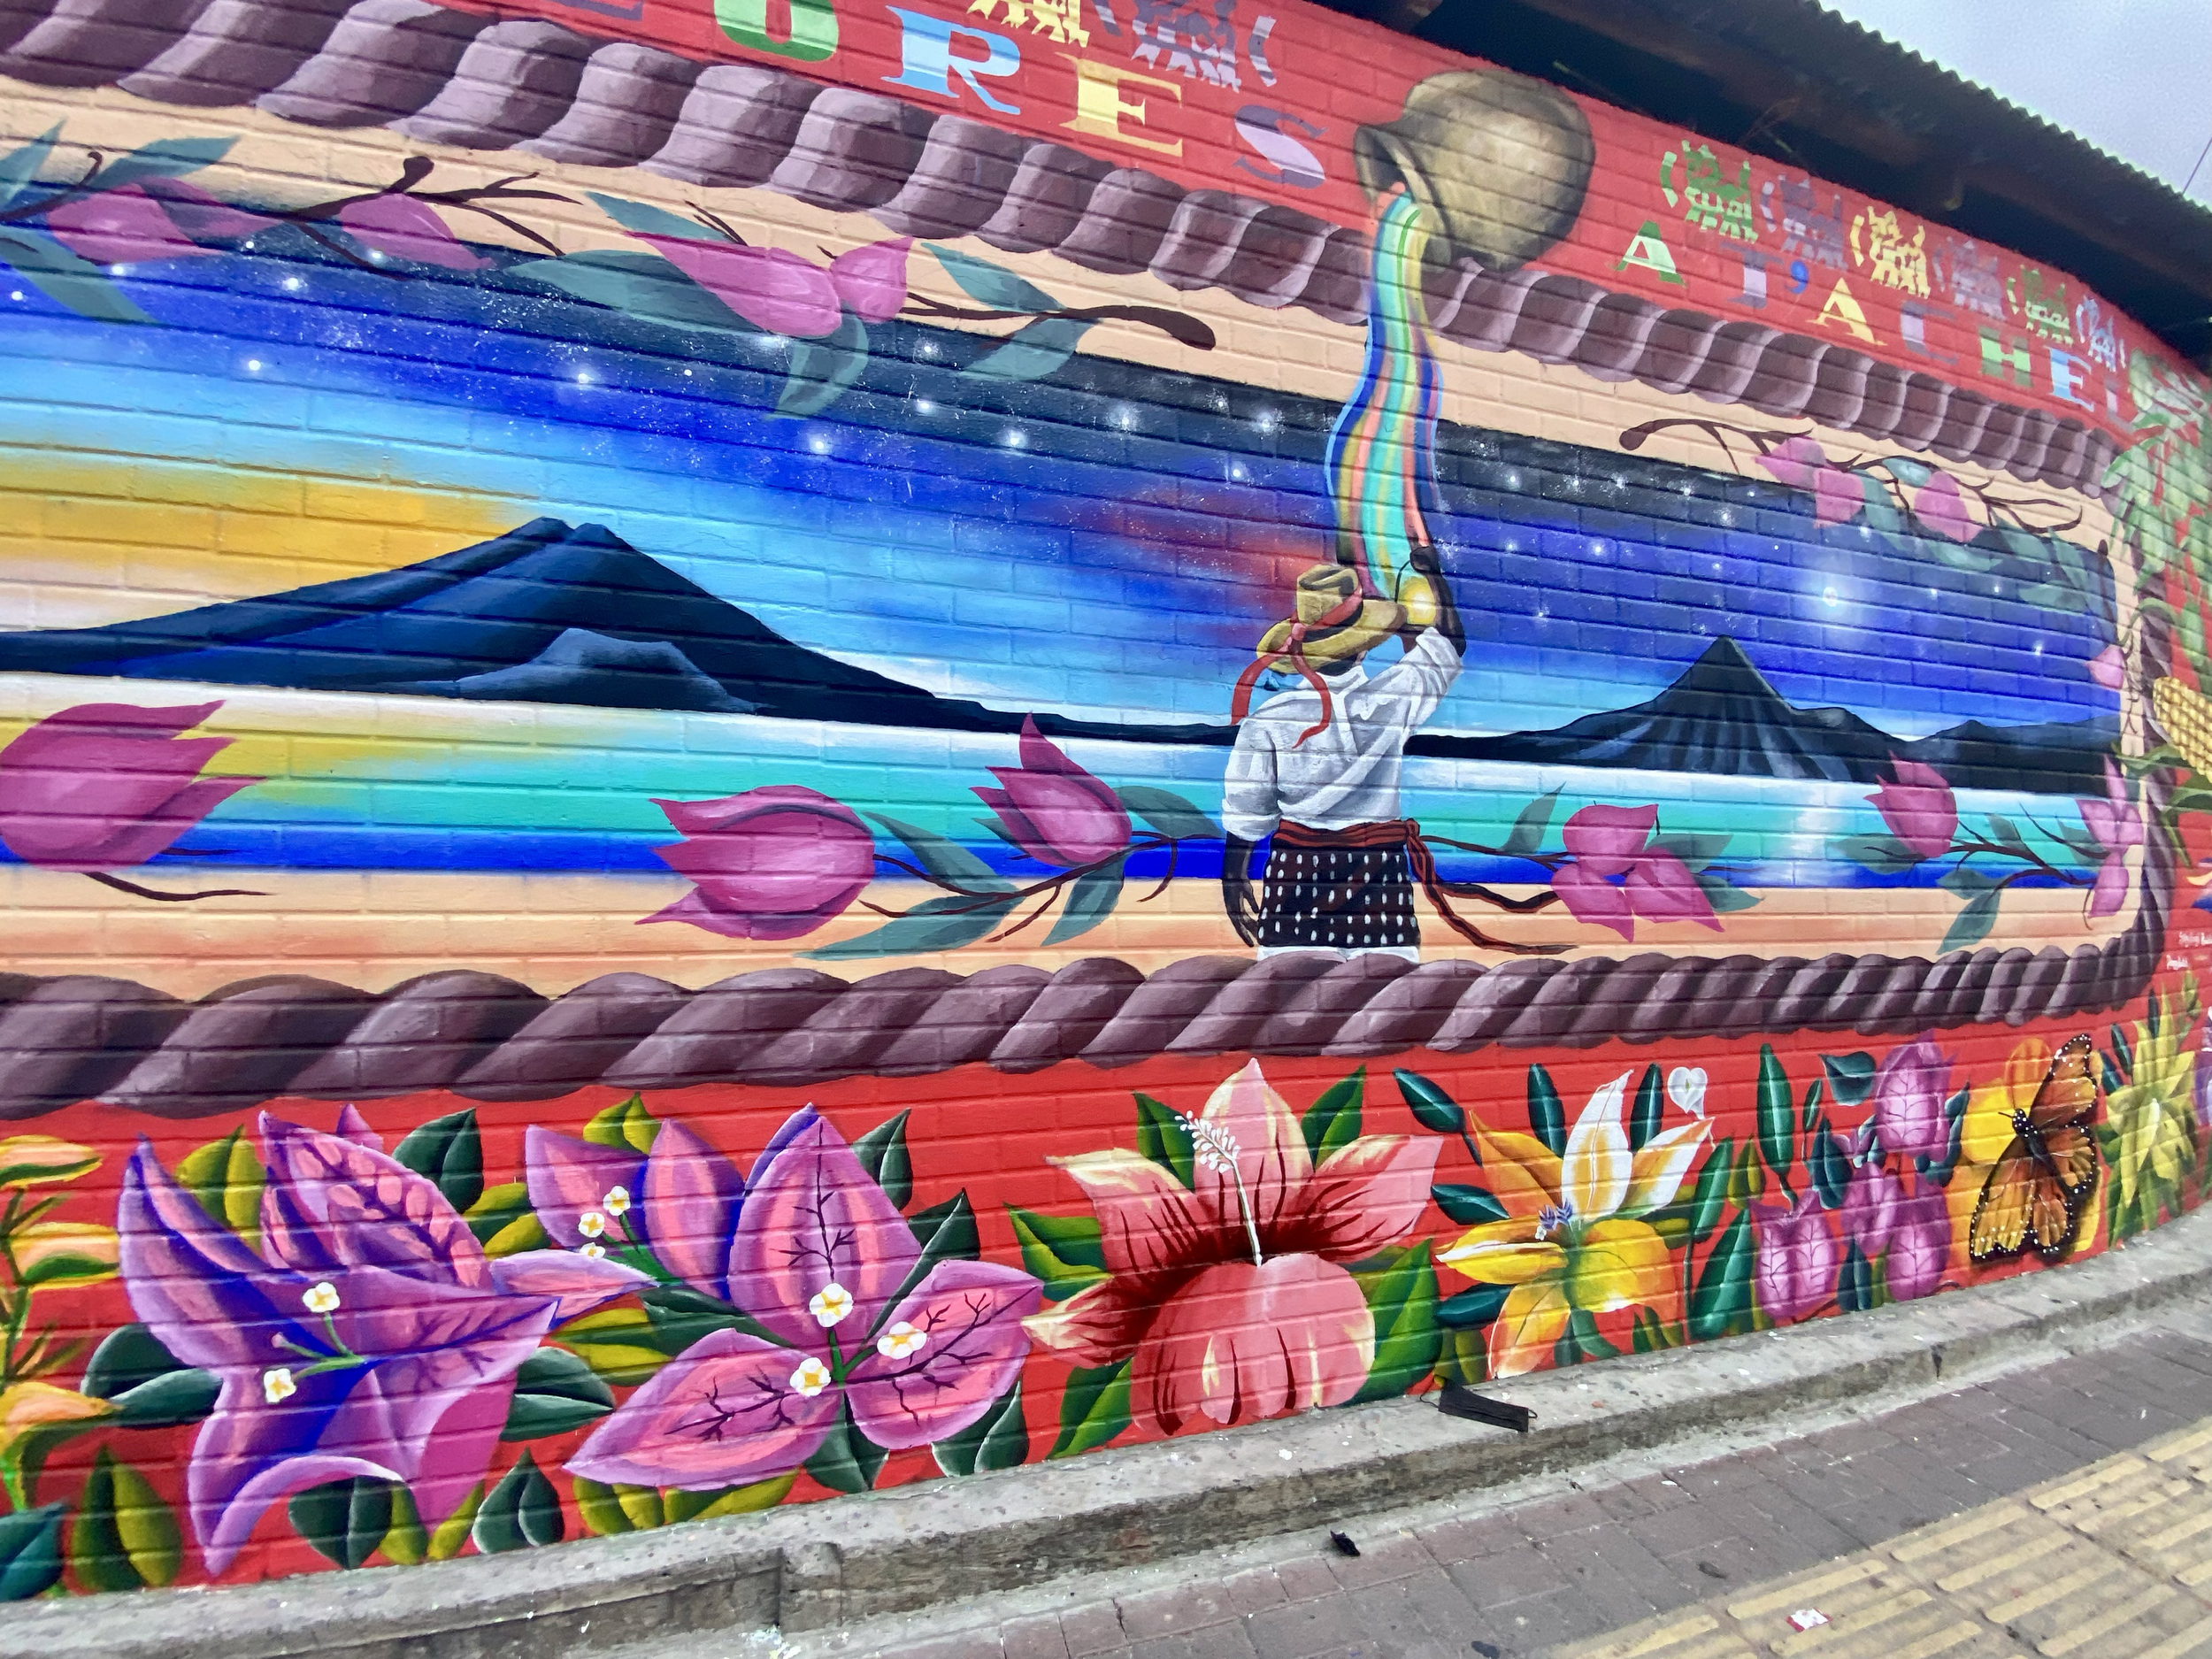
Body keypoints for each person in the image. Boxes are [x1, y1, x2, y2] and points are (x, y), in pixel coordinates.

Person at [1220, 547, 1549, 959]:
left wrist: (1233, 878)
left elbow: (1247, 810)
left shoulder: (1268, 719)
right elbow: (1450, 644)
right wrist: (1433, 576)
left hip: (1297, 872)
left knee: (1292, 984)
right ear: (1365, 646)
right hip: (1379, 869)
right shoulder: (1392, 698)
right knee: (1387, 985)